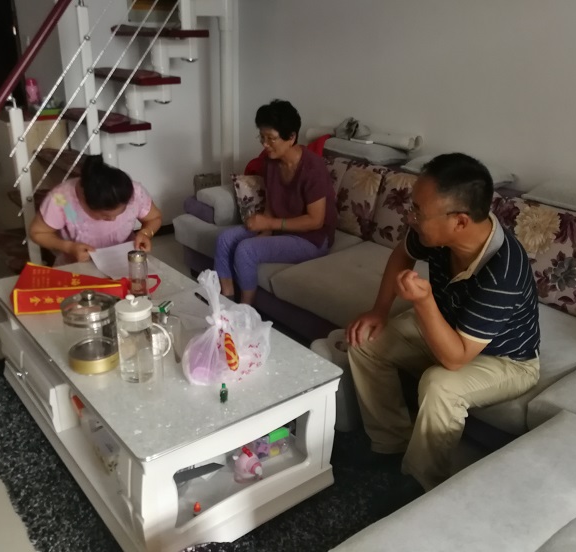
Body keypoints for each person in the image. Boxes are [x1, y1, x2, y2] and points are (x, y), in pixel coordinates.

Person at [346, 153, 540, 491]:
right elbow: (402, 254)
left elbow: (455, 358)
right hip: (453, 329)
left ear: (460, 222)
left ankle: (420, 483)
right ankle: (390, 443)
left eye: (419, 212)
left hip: (506, 360)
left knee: (439, 384)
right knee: (365, 340)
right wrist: (379, 310)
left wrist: (423, 302)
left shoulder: (503, 271)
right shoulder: (436, 236)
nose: (411, 217)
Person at [215, 99, 337, 304]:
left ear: (291, 137)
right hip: (282, 228)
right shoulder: (271, 161)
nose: (265, 144)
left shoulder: (313, 168)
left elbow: (315, 221)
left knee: (246, 250)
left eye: (271, 138)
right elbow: (273, 199)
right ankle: (225, 302)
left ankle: (245, 310)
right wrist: (266, 227)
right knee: (225, 240)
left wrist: (269, 223)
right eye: (262, 137)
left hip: (312, 238)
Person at [29, 154, 162, 265]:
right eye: (105, 216)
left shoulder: (135, 192)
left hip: (123, 263)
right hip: (78, 266)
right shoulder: (62, 199)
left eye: (121, 212)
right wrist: (69, 247)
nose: (113, 219)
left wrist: (146, 233)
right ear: (85, 201)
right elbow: (38, 233)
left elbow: (154, 218)